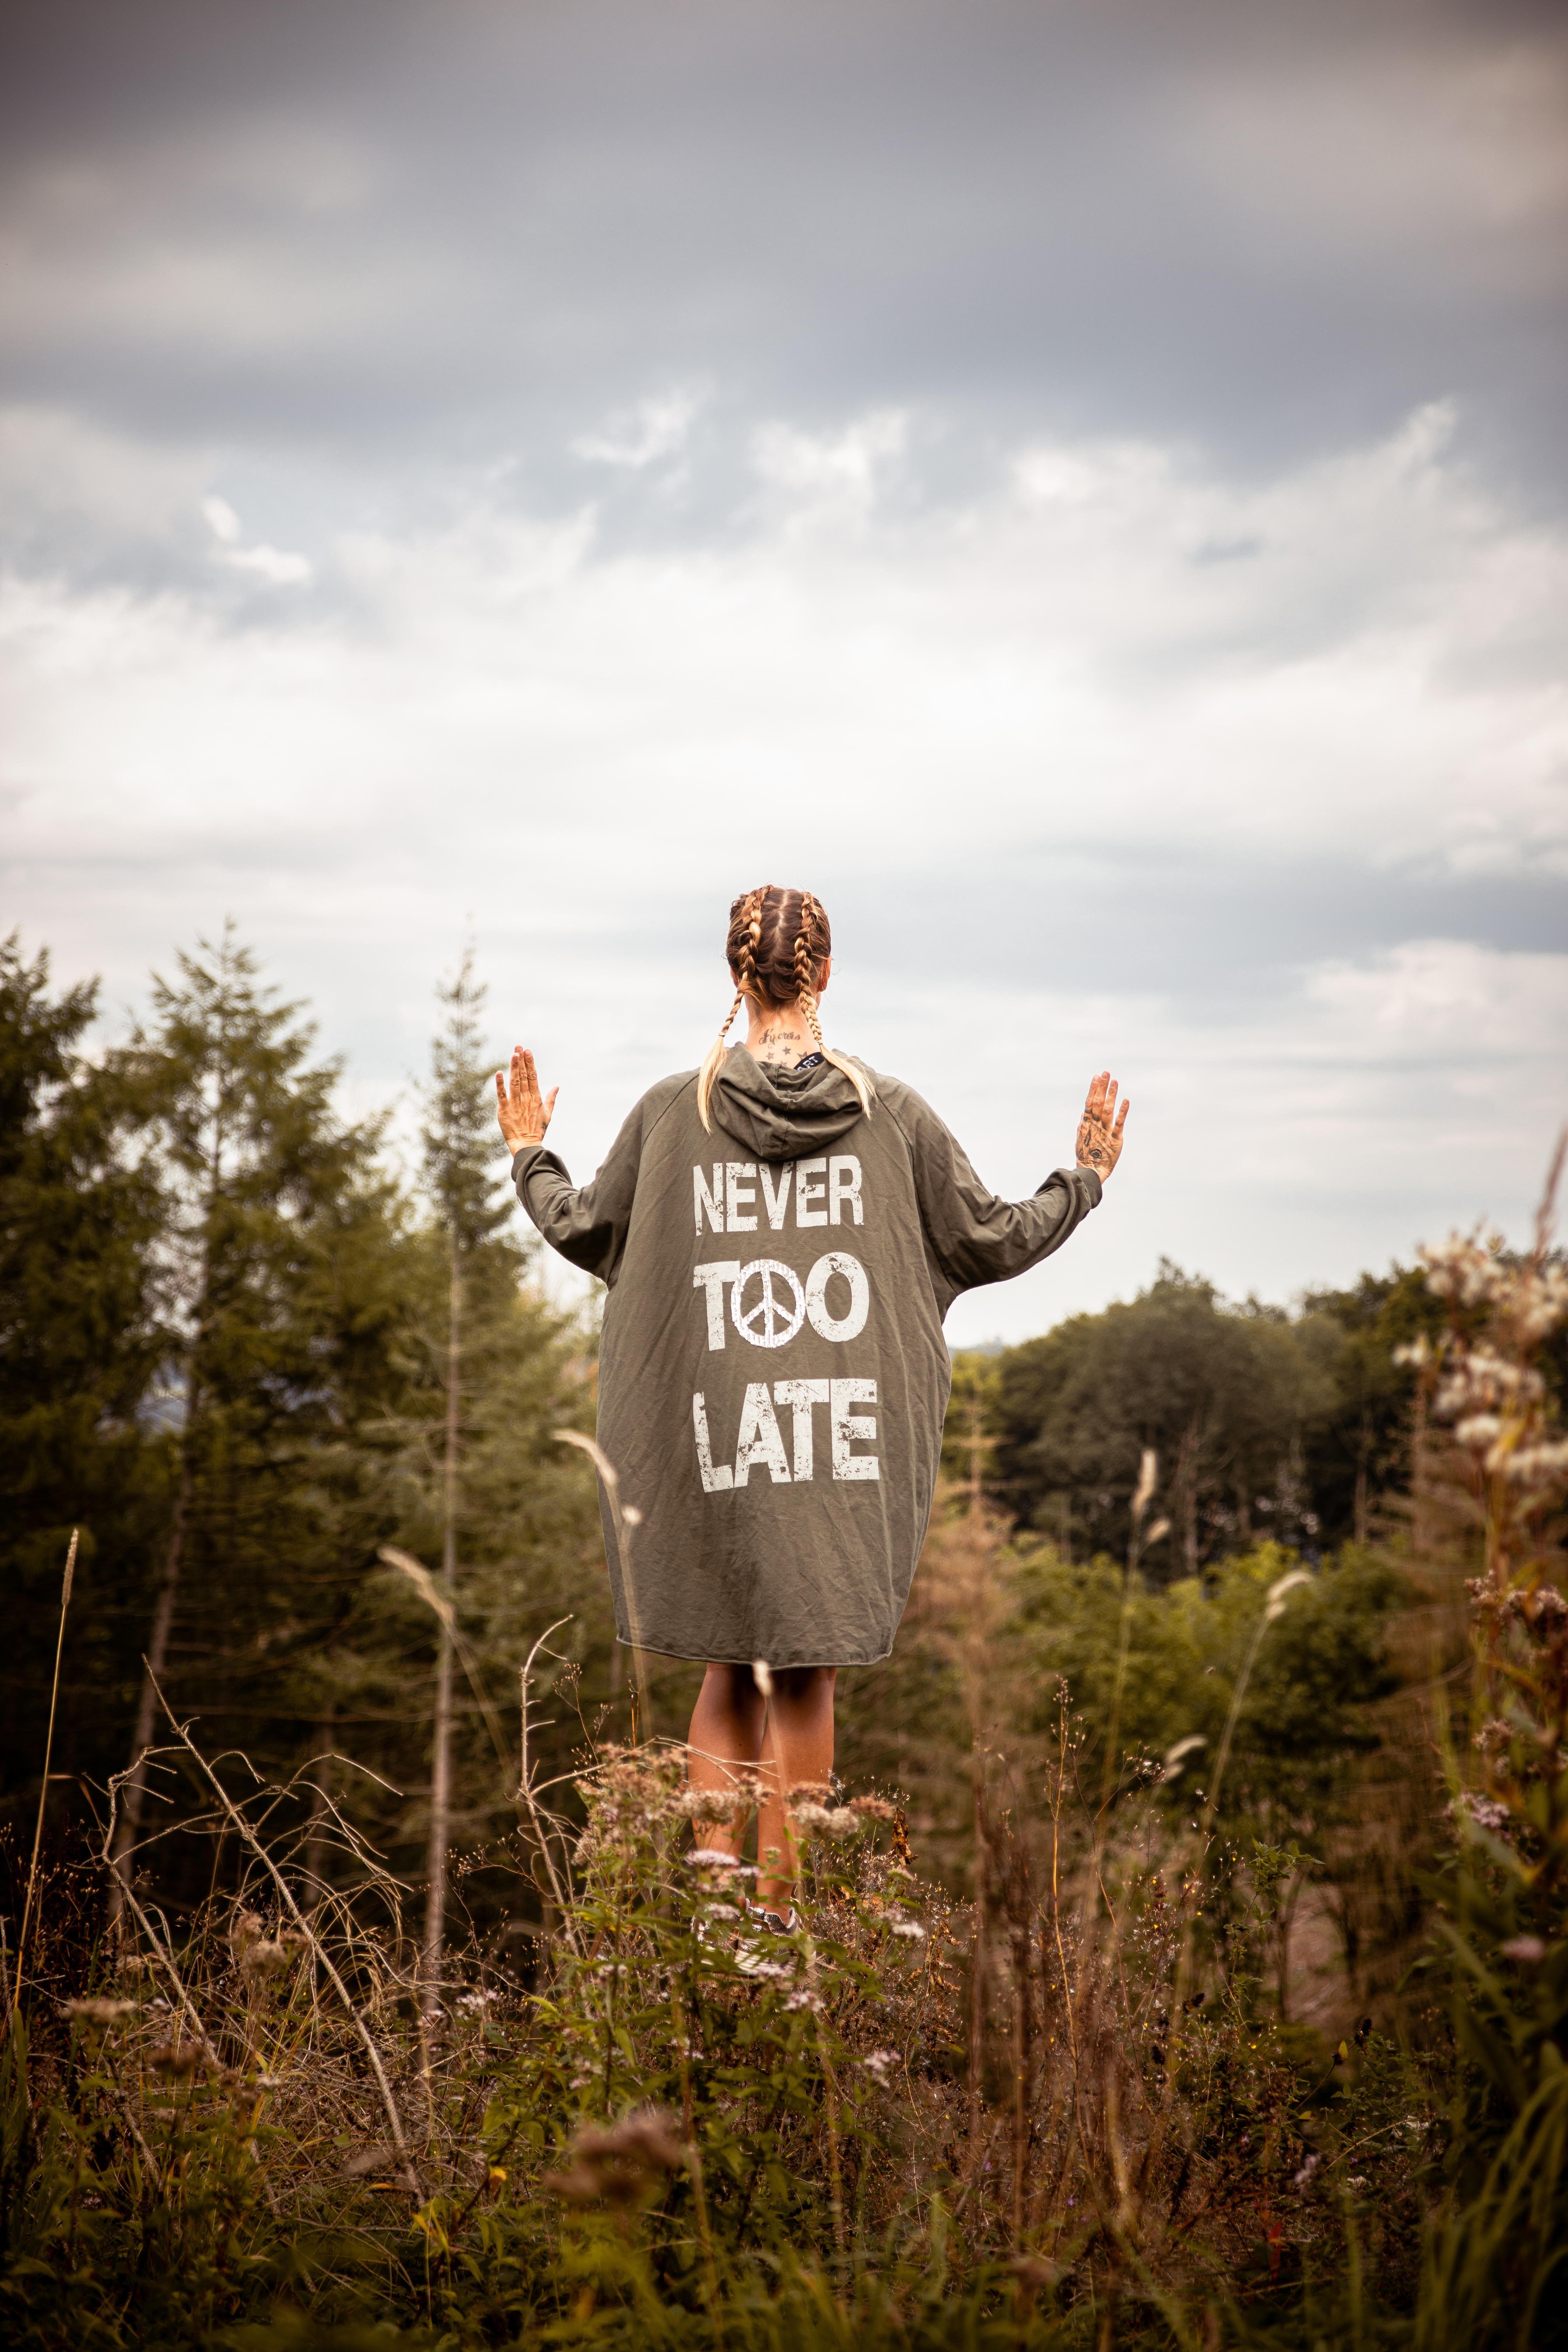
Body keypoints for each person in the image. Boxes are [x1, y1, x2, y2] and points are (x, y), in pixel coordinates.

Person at [496, 883, 1126, 1929]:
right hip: (838, 1448)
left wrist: (529, 1154)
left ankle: (714, 1916)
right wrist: (1086, 1177)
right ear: (824, 974)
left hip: (711, 1444)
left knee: (726, 1667)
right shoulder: (895, 1117)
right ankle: (783, 1930)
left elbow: (587, 1230)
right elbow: (993, 1239)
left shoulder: (670, 1114)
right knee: (802, 1679)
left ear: (735, 977)